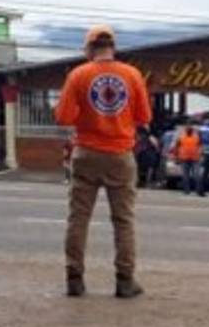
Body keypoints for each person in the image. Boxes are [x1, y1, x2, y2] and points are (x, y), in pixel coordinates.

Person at [54, 25, 152, 298]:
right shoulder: (132, 75)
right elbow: (144, 116)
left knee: (79, 218)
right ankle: (124, 280)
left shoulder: (78, 75)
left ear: (89, 49)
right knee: (123, 221)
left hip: (85, 153)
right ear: (113, 47)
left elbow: (62, 117)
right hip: (120, 155)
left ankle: (74, 278)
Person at [175, 123, 201, 195]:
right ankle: (186, 190)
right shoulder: (181, 137)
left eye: (190, 129)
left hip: (194, 158)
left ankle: (198, 190)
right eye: (188, 128)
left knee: (196, 176)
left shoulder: (197, 137)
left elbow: (200, 146)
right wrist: (176, 157)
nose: (189, 130)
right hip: (184, 158)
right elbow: (176, 147)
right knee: (185, 176)